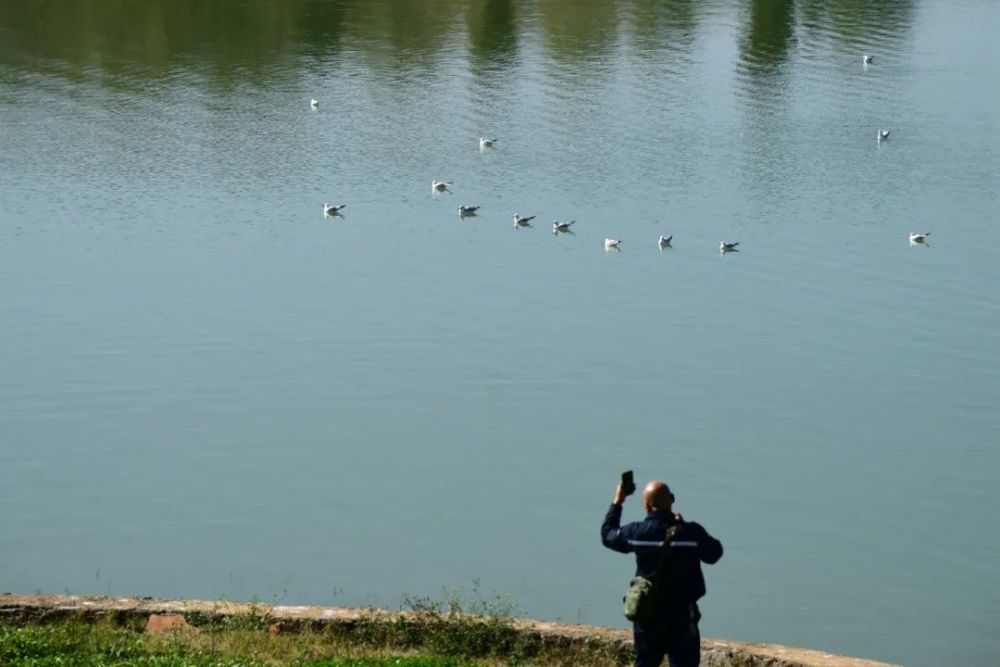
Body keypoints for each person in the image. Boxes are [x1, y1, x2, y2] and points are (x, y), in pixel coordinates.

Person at [601, 479, 723, 667]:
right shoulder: (691, 533)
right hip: (683, 616)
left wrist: (618, 501)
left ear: (646, 506)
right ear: (672, 499)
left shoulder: (638, 533)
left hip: (648, 615)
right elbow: (715, 553)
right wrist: (684, 525)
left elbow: (608, 535)